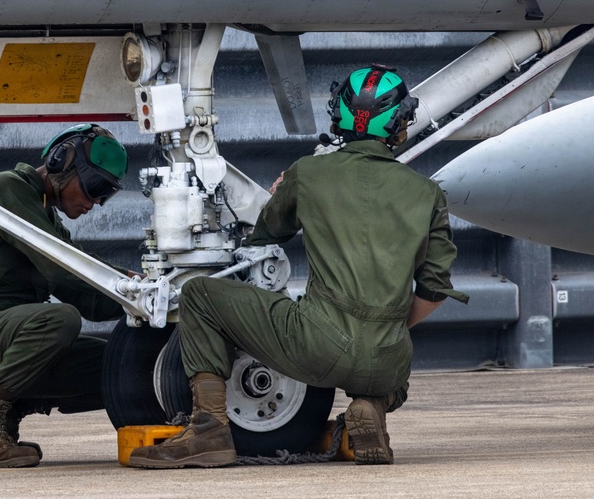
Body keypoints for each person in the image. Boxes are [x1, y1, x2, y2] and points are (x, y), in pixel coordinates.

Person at [128, 65, 468, 469]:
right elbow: (434, 289)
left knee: (200, 295)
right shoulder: (427, 194)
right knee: (390, 366)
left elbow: (265, 235)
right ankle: (372, 405)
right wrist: (386, 329)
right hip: (388, 358)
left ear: (338, 118)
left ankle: (209, 430)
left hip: (316, 345)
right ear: (400, 126)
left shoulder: (309, 173)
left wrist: (282, 194)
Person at [0, 123, 130, 468]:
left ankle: (9, 408)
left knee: (122, 366)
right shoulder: (6, 188)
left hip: (6, 340)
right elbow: (63, 270)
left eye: (106, 194)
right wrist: (123, 282)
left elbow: (90, 299)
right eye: (95, 187)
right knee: (60, 319)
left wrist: (141, 296)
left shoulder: (46, 217)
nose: (96, 203)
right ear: (61, 161)